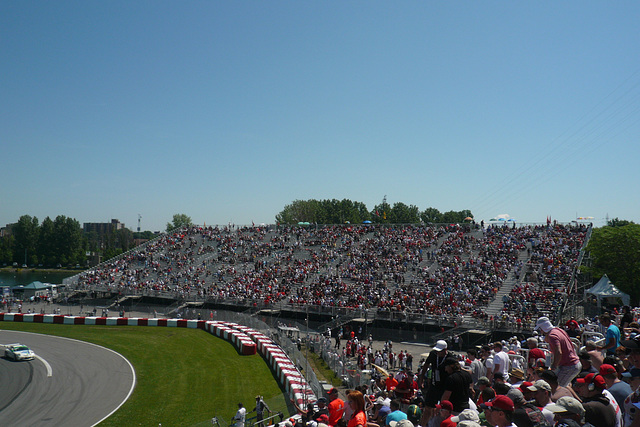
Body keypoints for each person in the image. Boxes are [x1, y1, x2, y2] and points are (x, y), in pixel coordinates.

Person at [535, 316, 581, 388]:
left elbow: (558, 352)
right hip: (573, 363)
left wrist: (554, 366)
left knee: (556, 387)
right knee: (565, 386)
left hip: (569, 366)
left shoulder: (552, 336)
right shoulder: (558, 330)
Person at [418, 340, 450, 426]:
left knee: (441, 409)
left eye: (439, 351)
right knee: (428, 407)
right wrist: (421, 378)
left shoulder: (450, 358)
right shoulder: (433, 354)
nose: (437, 352)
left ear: (445, 350)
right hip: (433, 385)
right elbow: (426, 365)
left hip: (444, 387)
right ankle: (422, 425)